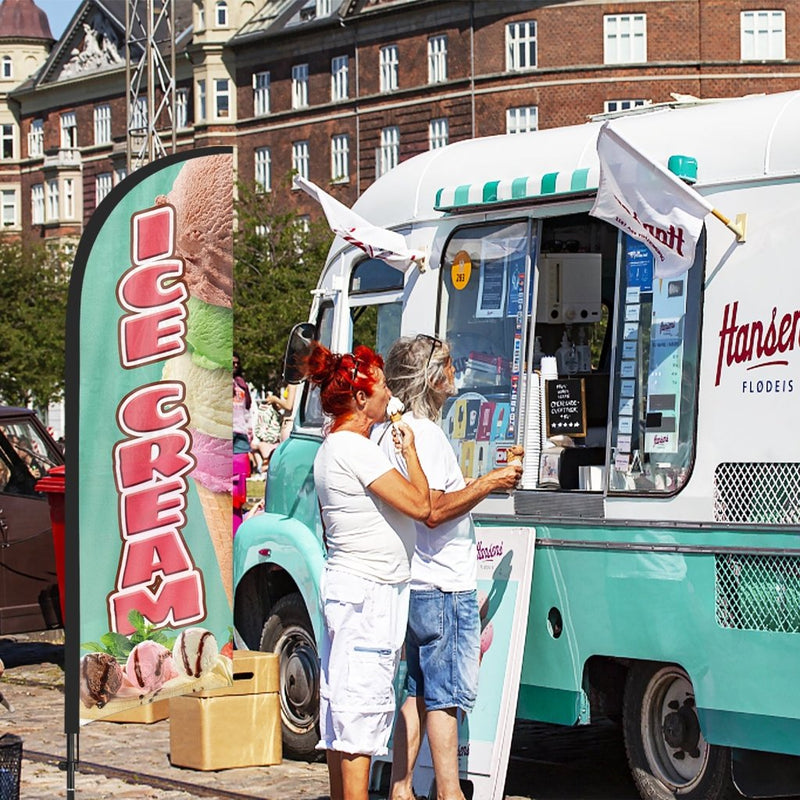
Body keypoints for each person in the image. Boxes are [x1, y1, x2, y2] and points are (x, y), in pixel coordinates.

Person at [373, 334, 523, 800]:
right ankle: (449, 792)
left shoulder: (388, 434)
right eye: (449, 366)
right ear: (432, 377)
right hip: (442, 584)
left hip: (414, 582)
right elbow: (434, 508)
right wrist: (492, 481)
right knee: (445, 697)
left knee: (415, 693)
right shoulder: (427, 435)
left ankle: (400, 789)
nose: (456, 374)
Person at [304, 341, 431, 800]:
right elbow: (421, 504)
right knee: (360, 711)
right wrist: (411, 453)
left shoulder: (334, 447)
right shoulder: (354, 450)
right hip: (369, 593)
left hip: (354, 588)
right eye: (380, 387)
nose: (387, 395)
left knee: (344, 711)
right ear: (360, 398)